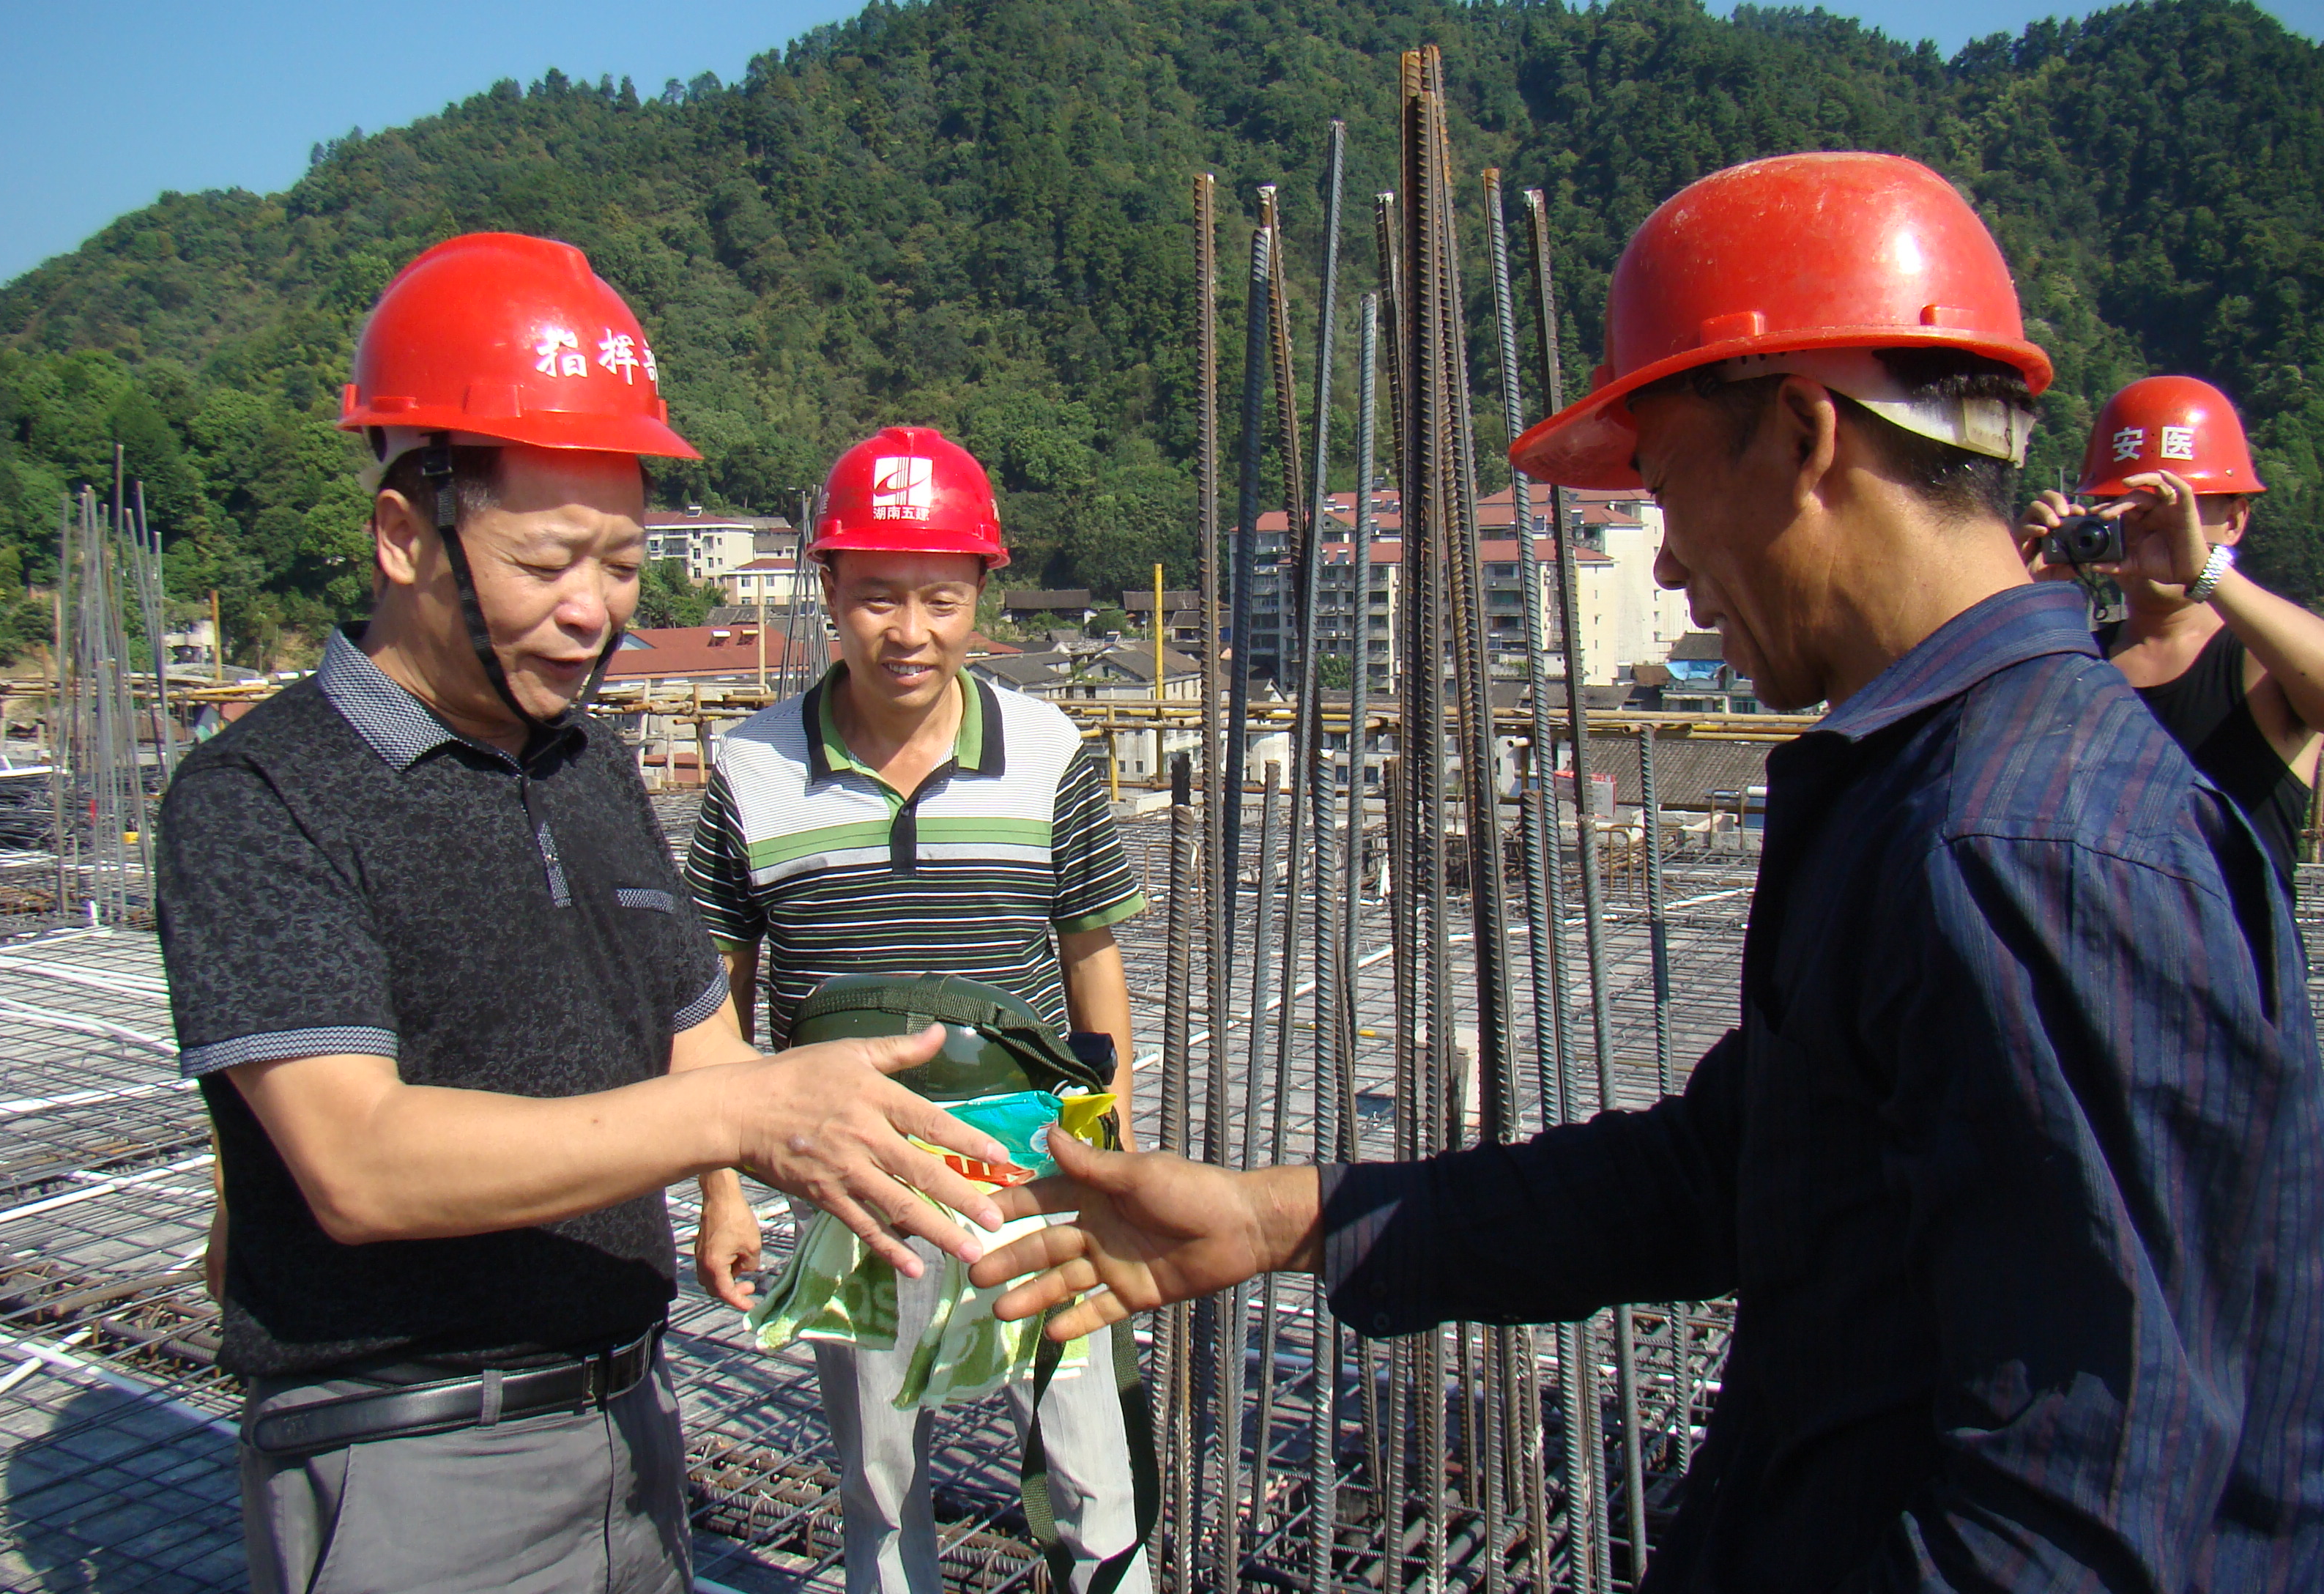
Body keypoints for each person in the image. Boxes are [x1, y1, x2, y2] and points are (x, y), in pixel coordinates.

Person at [970, 153, 2324, 1589]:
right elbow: (1721, 1174)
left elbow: (2081, 1521)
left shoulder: (2025, 846)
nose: (1667, 564)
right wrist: (1277, 1215)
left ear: (1801, 433)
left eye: (1666, 486)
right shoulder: (1929, 787)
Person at [157, 235, 1014, 1594]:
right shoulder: (263, 796)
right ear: (403, 536)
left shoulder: (588, 767)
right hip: (411, 1453)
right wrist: (742, 1120)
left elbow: (697, 1037)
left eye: (620, 564)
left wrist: (912, 1151)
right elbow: (358, 1161)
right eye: (550, 561)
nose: (592, 614)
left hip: (628, 1423)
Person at [683, 426, 1152, 1594]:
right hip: (853, 1174)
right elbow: (713, 998)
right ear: (829, 591)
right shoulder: (749, 770)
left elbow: (1092, 963)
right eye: (877, 597)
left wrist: (1111, 1151)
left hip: (1031, 1164)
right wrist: (722, 1186)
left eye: (940, 599)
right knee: (881, 1481)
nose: (909, 631)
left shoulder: (1049, 752)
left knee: (1091, 1470)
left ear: (981, 595)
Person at [2018, 375, 2323, 886]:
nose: (2153, 525)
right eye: (2130, 506)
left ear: (2235, 520)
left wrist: (2204, 572)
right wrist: (2019, 600)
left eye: (2176, 507)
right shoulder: (2071, 663)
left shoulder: (2261, 662)